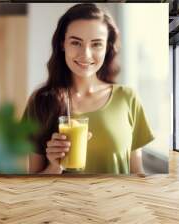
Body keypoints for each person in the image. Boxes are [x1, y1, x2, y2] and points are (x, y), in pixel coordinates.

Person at [22, 3, 154, 175]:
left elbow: (137, 172)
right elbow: (32, 183)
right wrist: (55, 166)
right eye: (76, 42)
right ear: (63, 44)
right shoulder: (41, 101)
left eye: (96, 44)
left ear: (107, 47)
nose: (86, 54)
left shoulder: (128, 98)